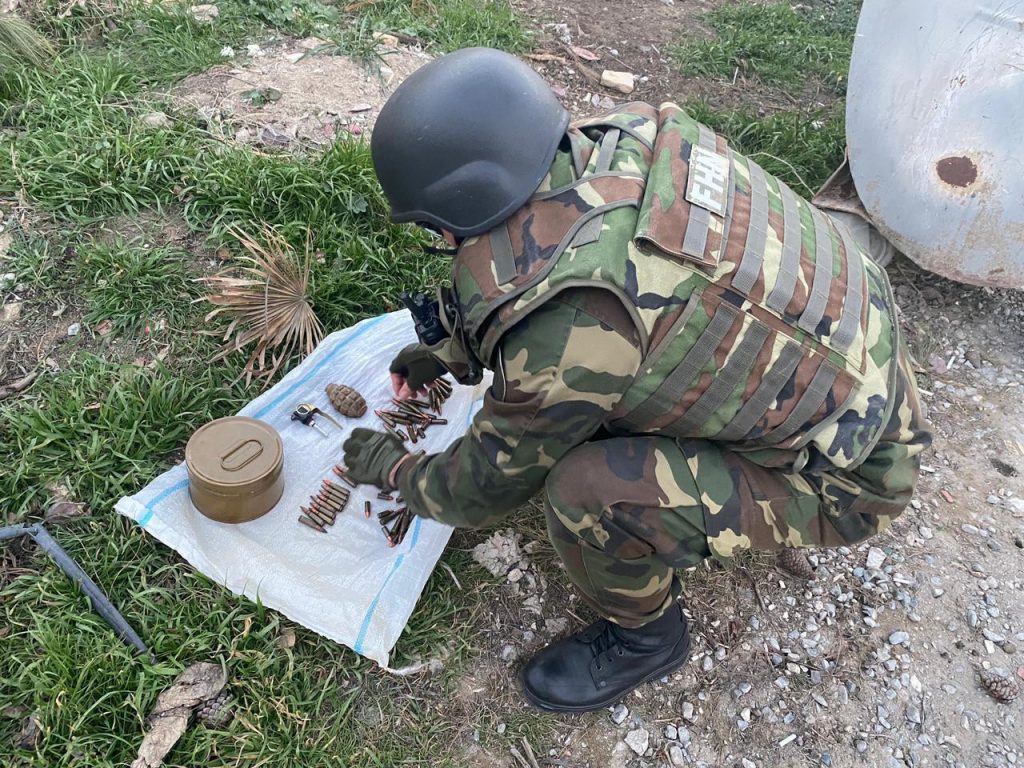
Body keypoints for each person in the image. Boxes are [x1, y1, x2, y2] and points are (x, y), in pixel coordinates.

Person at [342, 47, 932, 713]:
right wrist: (450, 350)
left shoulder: (571, 331)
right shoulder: (620, 139)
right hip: (859, 356)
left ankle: (648, 640)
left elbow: (475, 491)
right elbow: (542, 268)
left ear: (452, 215)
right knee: (596, 409)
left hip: (849, 478)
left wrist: (393, 468)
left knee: (585, 491)